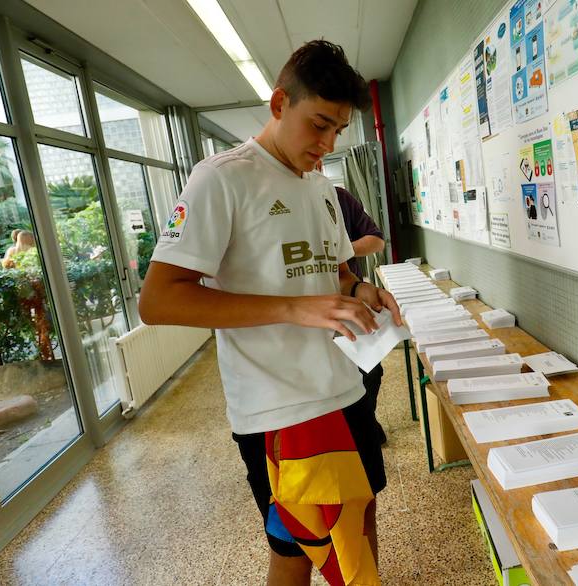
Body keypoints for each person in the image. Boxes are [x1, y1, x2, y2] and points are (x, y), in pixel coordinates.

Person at [139, 40, 399, 586]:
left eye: (338, 131)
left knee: (362, 511)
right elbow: (159, 299)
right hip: (276, 409)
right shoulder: (222, 178)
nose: (326, 143)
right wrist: (292, 307)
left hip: (344, 388)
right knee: (296, 546)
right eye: (318, 124)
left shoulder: (323, 188)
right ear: (279, 103)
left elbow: (335, 272)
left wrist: (361, 290)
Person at [328, 176, 388, 444]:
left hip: (352, 297)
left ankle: (366, 421)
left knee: (371, 371)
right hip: (317, 314)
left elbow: (376, 240)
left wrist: (343, 250)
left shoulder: (339, 198)